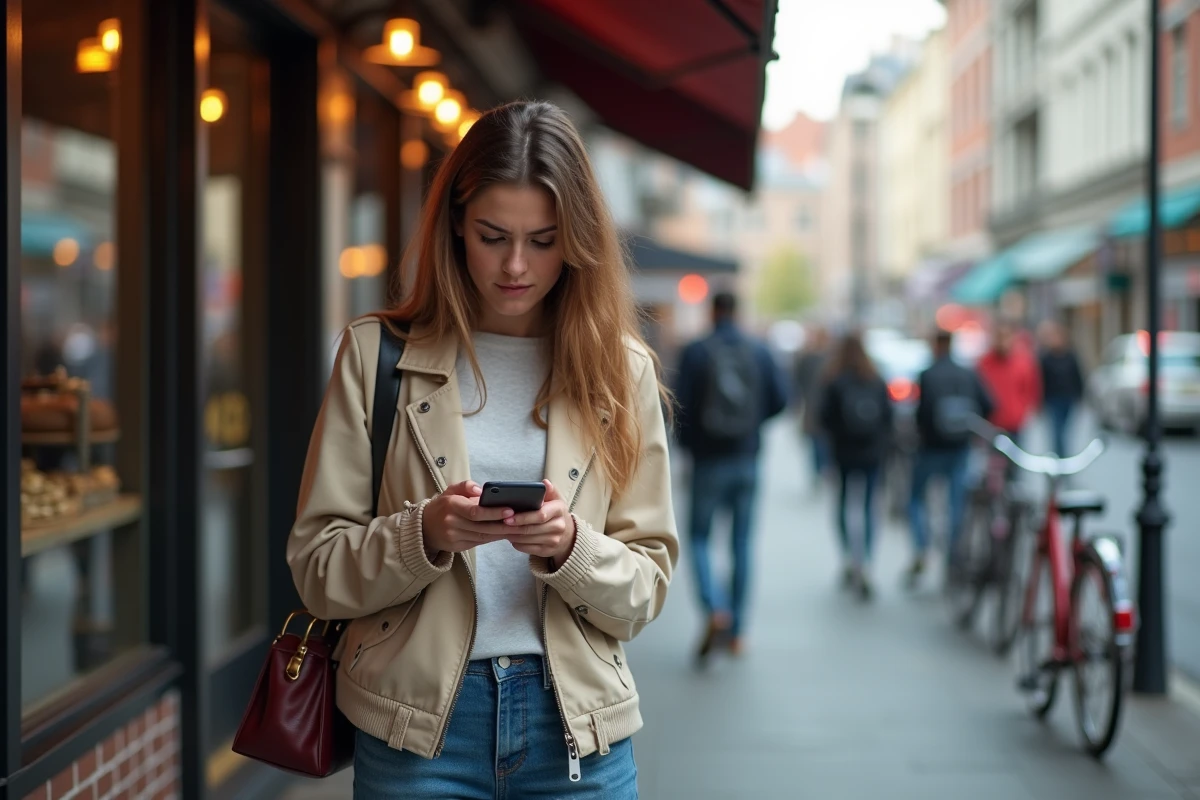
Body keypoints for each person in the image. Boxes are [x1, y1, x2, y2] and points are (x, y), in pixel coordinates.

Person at [287, 101, 678, 799]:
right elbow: (317, 570)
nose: (517, 266)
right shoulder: (376, 356)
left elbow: (646, 590)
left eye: (545, 239)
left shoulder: (622, 370)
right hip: (415, 733)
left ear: (579, 241)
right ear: (456, 225)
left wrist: (569, 548)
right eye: (494, 236)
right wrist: (424, 534)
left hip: (577, 734)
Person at [674, 291, 788, 661]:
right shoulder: (758, 350)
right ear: (737, 311)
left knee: (700, 538)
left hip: (707, 461)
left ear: (713, 311)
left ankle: (715, 608)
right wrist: (750, 425)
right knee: (741, 544)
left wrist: (689, 448)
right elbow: (781, 400)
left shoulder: (696, 351)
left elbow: (678, 406)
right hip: (747, 458)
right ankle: (738, 631)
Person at [906, 329, 994, 585]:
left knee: (915, 498)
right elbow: (988, 404)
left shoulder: (928, 374)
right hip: (960, 448)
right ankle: (954, 551)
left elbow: (919, 414)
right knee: (957, 503)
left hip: (931, 448)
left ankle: (923, 545)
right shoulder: (968, 373)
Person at [819, 332, 893, 600]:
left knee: (842, 504)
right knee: (868, 507)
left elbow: (824, 418)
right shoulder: (875, 379)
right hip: (872, 454)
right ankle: (867, 561)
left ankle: (849, 557)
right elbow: (888, 417)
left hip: (844, 453)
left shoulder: (835, 380)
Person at [975, 318, 1041, 444]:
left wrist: (1022, 412)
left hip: (1015, 423)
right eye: (999, 336)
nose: (1002, 341)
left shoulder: (1023, 361)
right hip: (990, 425)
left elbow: (1031, 390)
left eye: (1006, 336)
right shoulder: (983, 363)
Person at [793, 325, 832, 490]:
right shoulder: (830, 358)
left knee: (816, 442)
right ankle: (823, 469)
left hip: (814, 405)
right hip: (822, 406)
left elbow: (797, 382)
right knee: (821, 441)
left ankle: (819, 470)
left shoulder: (810, 358)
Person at [1037, 320, 1084, 456]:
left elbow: (1078, 376)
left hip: (1068, 398)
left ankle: (1063, 457)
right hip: (1052, 399)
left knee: (1065, 430)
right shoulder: (1046, 358)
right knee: (1056, 431)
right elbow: (1041, 381)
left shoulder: (1070, 356)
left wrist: (1079, 396)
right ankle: (1059, 457)